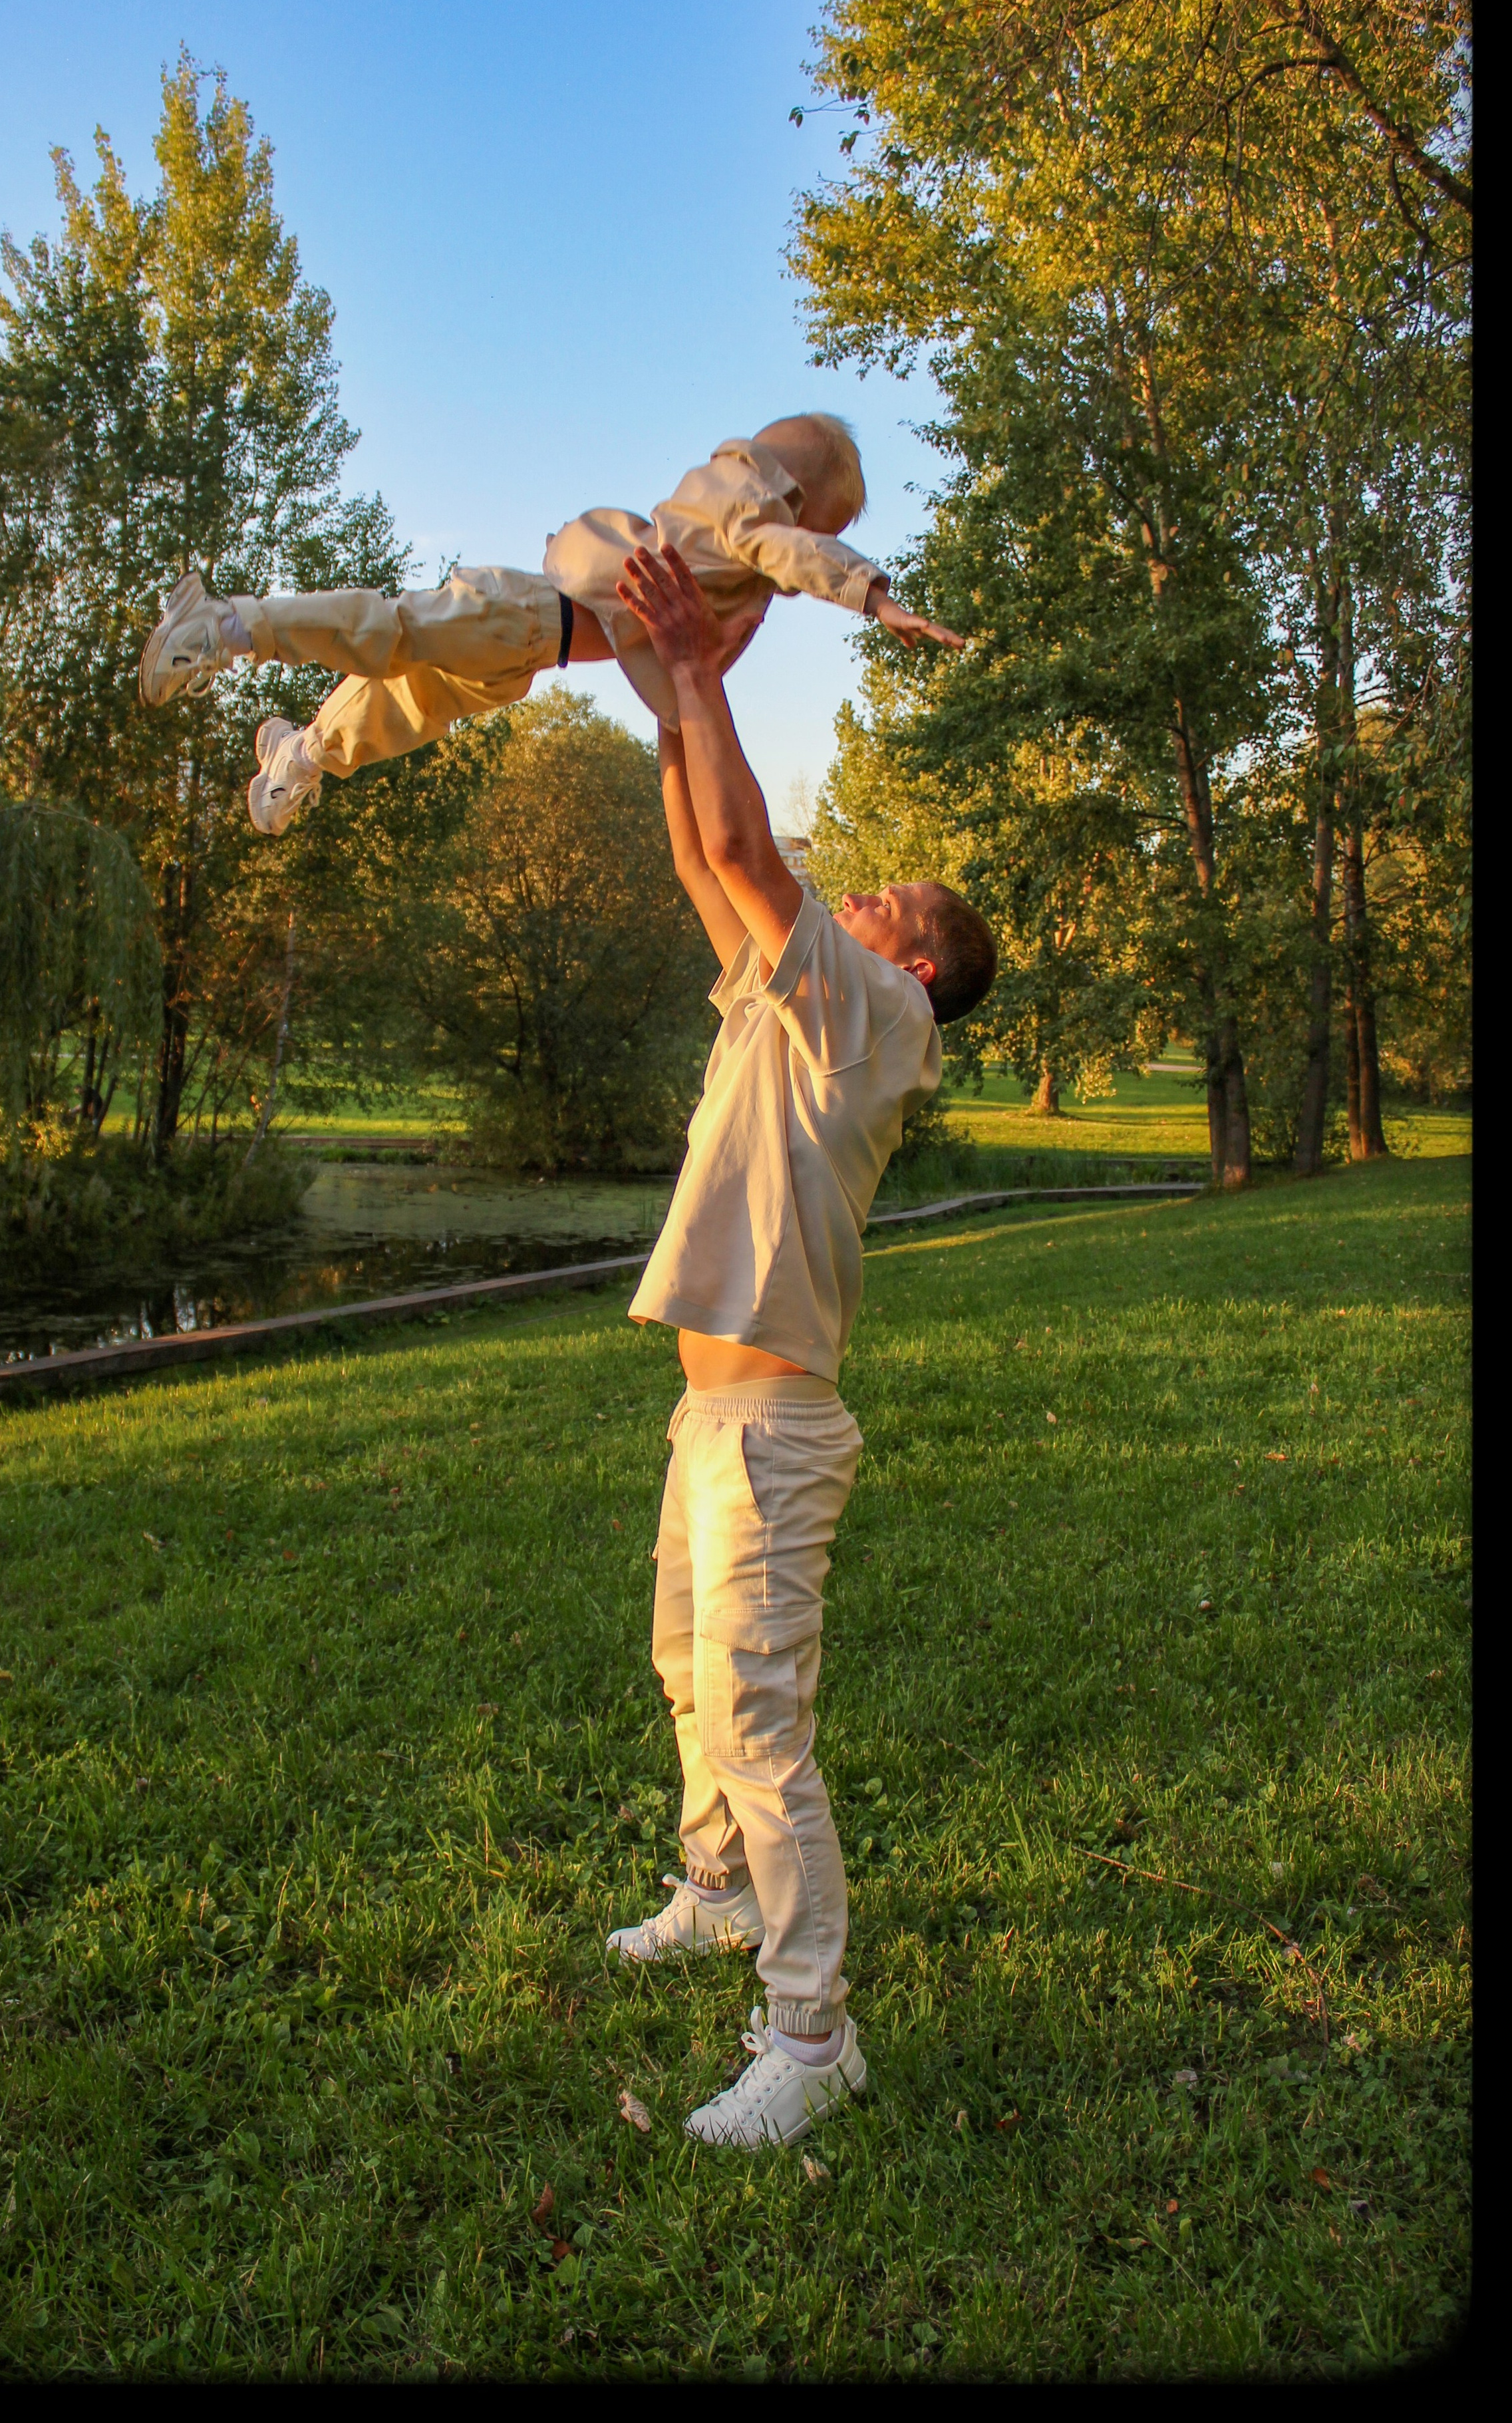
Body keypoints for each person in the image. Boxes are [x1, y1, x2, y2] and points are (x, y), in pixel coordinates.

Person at [603, 542, 996, 2150]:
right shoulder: (787, 1003)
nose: (871, 889)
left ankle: (811, 2030)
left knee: (760, 1721)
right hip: (713, 1422)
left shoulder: (878, 1021)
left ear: (910, 966)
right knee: (687, 1675)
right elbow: (711, 853)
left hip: (772, 1427)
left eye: (893, 902)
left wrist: (704, 667)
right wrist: (662, 693)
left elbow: (759, 850)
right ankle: (710, 1892)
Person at [134, 414, 963, 833]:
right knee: (393, 634)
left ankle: (302, 753)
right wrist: (872, 595)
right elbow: (786, 551)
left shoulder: (735, 541)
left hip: (537, 649)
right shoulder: (748, 513)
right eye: (830, 525)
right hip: (529, 612)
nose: (821, 544)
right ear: (798, 496)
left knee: (411, 702)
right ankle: (231, 625)